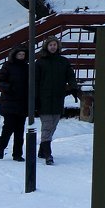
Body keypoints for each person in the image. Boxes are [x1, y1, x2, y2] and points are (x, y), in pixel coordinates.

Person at [35, 36, 79, 165]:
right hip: (44, 98)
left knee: (53, 125)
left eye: (55, 45)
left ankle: (42, 150)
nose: (53, 47)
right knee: (47, 127)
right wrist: (35, 99)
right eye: (50, 45)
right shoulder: (40, 63)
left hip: (58, 98)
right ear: (46, 47)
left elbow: (70, 76)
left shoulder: (63, 62)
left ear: (58, 46)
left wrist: (73, 88)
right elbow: (35, 82)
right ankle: (48, 155)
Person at [0, 46, 29, 162]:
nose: (21, 56)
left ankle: (17, 154)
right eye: (19, 54)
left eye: (23, 55)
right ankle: (1, 146)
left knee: (20, 130)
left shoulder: (27, 67)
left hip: (22, 103)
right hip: (9, 102)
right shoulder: (7, 66)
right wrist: (9, 88)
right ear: (15, 55)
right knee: (8, 128)